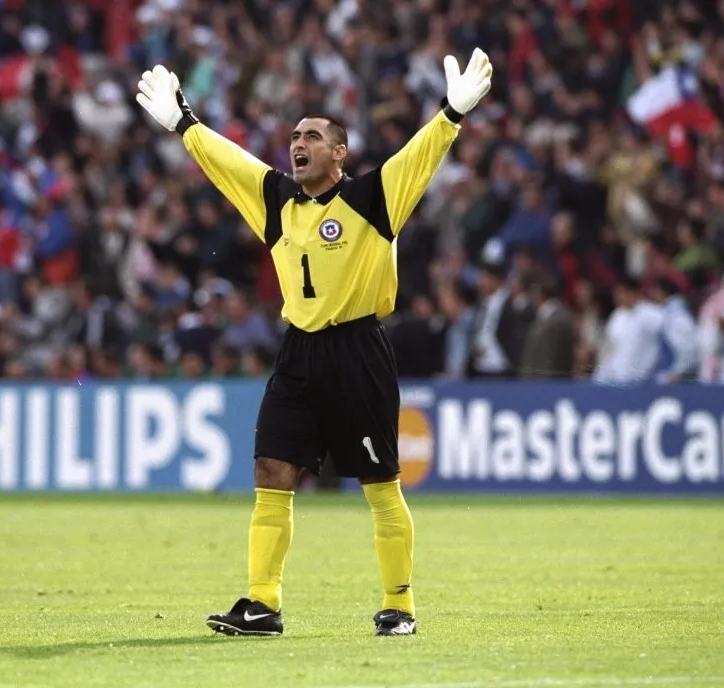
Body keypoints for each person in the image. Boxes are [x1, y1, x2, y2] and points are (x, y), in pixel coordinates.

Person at [135, 50, 493, 637]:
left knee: (379, 484)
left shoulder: (373, 198)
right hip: (298, 352)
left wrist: (451, 115)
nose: (297, 144)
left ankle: (399, 605)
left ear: (339, 153)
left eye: (313, 137)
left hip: (358, 352)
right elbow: (231, 165)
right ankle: (262, 604)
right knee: (271, 469)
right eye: (294, 137)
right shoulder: (278, 201)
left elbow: (419, 158)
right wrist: (184, 124)